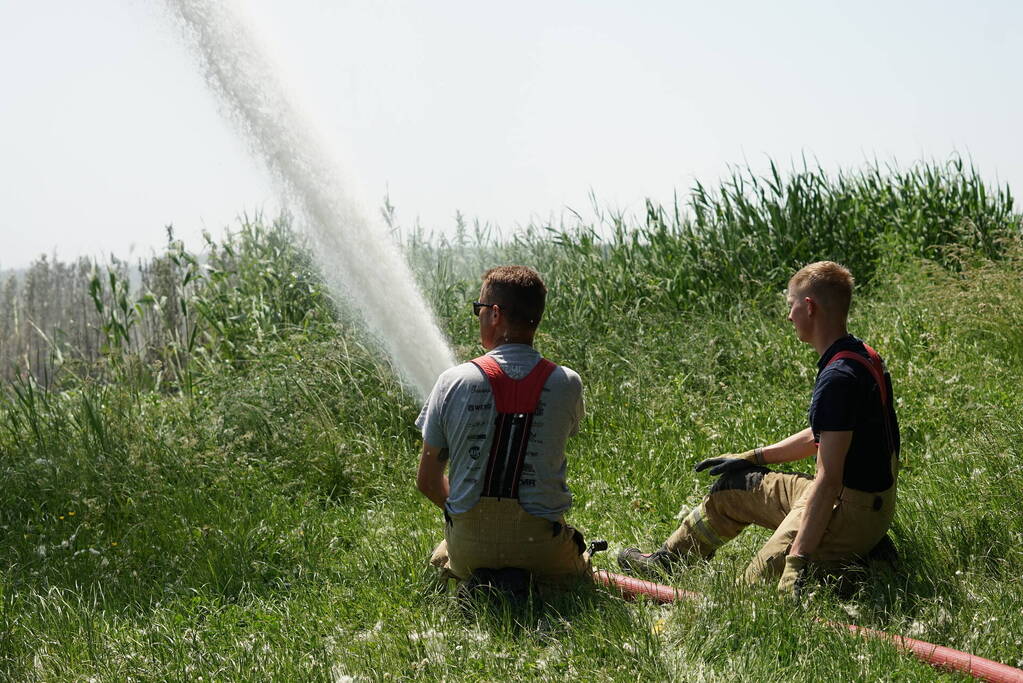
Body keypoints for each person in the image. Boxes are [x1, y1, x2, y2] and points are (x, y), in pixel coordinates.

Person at [618, 261, 900, 596]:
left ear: (809, 307)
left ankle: (852, 564)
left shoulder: (838, 378)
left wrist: (796, 562)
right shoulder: (860, 355)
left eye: (791, 306)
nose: (789, 316)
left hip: (847, 510)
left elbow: (828, 480)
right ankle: (669, 562)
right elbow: (825, 435)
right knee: (733, 488)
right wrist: (751, 457)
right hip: (859, 505)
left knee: (749, 595)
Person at [416, 265, 590, 585]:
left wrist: (468, 519)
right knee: (578, 564)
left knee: (443, 554)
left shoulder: (451, 381)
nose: (478, 317)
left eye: (478, 309)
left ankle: (473, 584)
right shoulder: (567, 383)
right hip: (541, 549)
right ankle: (536, 588)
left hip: (469, 550)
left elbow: (427, 481)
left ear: (495, 314)